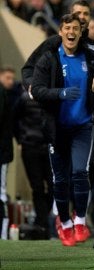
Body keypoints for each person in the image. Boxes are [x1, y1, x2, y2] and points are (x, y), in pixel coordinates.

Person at [31, 13, 94, 246]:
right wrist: (60, 93)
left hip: (83, 126)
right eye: (67, 28)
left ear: (80, 32)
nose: (71, 32)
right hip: (57, 129)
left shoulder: (90, 57)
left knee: (80, 173)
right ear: (60, 32)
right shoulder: (49, 58)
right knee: (60, 180)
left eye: (75, 28)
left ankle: (80, 220)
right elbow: (37, 90)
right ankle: (65, 224)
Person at [22, 0, 94, 93]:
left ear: (90, 17)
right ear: (70, 15)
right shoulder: (54, 42)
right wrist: (32, 86)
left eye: (86, 14)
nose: (82, 17)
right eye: (78, 13)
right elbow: (29, 69)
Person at [14, 87, 54, 239]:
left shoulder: (49, 97)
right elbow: (13, 120)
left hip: (48, 146)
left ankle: (42, 220)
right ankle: (42, 223)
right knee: (37, 187)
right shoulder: (24, 99)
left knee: (52, 185)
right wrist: (20, 140)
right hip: (30, 146)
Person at [0, 66, 16, 239]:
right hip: (4, 151)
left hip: (2, 152)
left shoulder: (5, 95)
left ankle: (4, 234)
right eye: (7, 78)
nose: (10, 82)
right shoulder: (7, 95)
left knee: (2, 192)